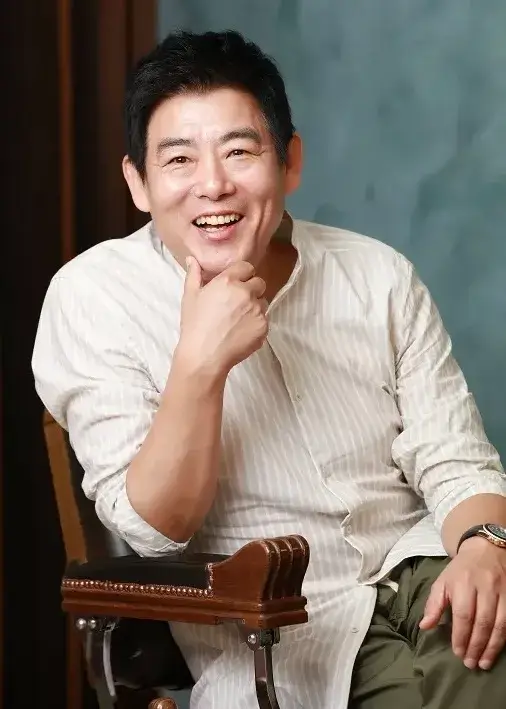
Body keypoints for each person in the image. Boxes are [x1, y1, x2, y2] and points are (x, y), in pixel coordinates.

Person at [32, 30, 506, 709]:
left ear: (290, 162)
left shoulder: (377, 274)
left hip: (429, 567)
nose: (213, 184)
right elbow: (155, 528)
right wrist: (200, 364)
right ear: (138, 182)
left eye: (239, 150)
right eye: (179, 159)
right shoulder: (93, 295)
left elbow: (456, 458)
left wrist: (487, 547)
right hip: (289, 629)